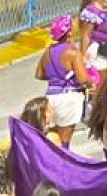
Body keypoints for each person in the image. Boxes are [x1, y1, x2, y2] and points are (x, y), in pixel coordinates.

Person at [33, 17, 94, 146]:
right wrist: (91, 81)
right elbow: (83, 79)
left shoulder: (48, 52)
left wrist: (55, 77)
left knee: (54, 137)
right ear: (69, 33)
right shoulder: (72, 52)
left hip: (51, 97)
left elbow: (39, 74)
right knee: (65, 140)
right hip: (68, 98)